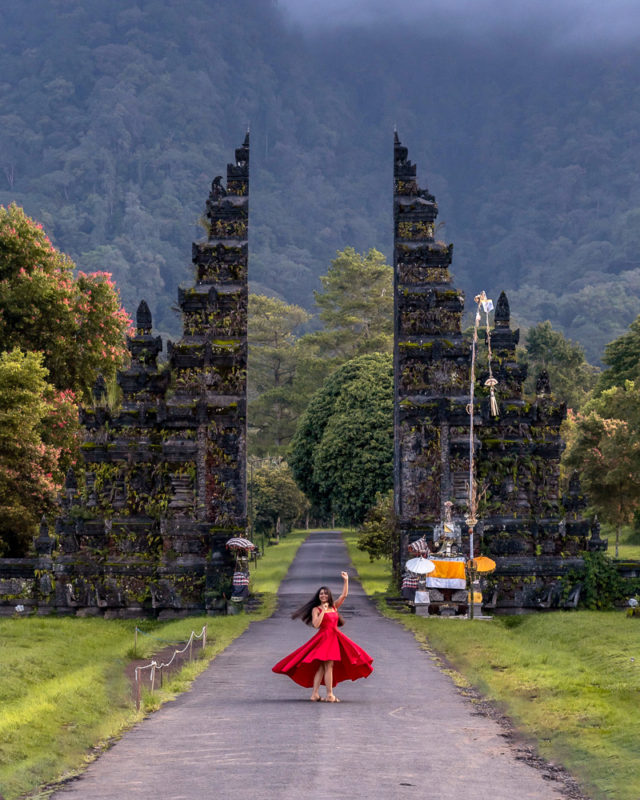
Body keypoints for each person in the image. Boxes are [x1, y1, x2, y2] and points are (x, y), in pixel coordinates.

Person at [272, 571, 373, 702]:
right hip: (324, 639)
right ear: (318, 596)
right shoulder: (317, 609)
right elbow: (315, 624)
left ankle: (315, 694)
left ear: (329, 595)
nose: (323, 595)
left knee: (322, 667)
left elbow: (344, 595)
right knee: (329, 666)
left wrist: (346, 580)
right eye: (321, 594)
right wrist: (323, 611)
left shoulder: (334, 606)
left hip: (334, 638)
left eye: (325, 593)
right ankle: (330, 695)